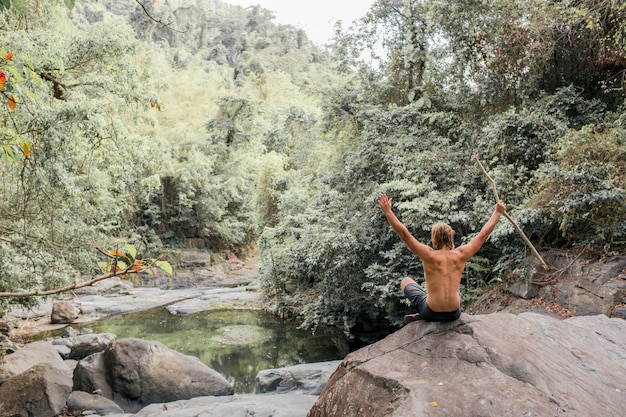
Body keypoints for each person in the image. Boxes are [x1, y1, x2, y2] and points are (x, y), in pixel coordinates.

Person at [378, 193, 506, 322]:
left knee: (405, 281)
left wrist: (388, 212)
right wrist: (497, 212)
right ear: (450, 238)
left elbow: (405, 235)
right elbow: (483, 235)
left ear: (434, 239)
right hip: (454, 313)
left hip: (431, 312)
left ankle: (423, 313)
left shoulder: (429, 255)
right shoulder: (461, 254)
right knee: (456, 292)